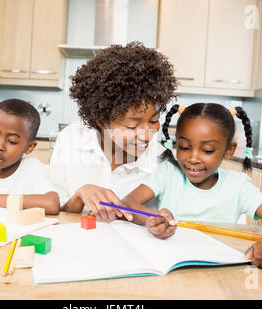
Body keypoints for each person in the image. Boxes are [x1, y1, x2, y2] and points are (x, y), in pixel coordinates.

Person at [122, 103, 262, 271]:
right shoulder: (168, 172)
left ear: (229, 150)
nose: (193, 158)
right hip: (171, 265)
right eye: (184, 147)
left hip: (220, 270)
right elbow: (127, 203)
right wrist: (149, 218)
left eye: (207, 150)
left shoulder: (237, 186)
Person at [49, 41, 178, 220]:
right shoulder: (71, 139)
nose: (147, 134)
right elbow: (56, 212)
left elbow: (164, 219)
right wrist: (80, 194)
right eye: (132, 126)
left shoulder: (161, 161)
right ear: (101, 121)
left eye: (154, 120)